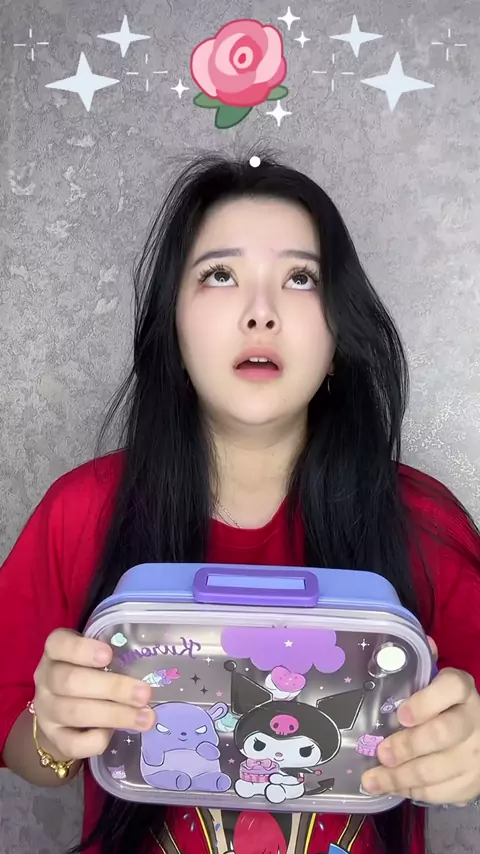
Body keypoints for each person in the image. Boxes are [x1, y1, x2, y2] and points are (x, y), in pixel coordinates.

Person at [1, 152, 479, 854]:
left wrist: (466, 749)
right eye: (220, 275)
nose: (261, 312)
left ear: (338, 336)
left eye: (301, 278)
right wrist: (51, 732)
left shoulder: (426, 525)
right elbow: (20, 743)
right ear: (173, 327)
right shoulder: (81, 512)